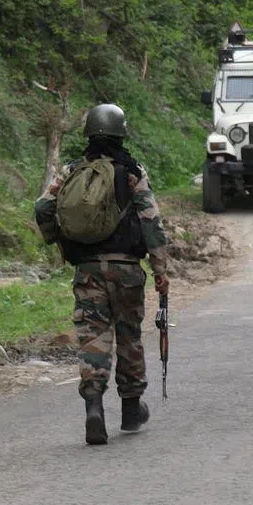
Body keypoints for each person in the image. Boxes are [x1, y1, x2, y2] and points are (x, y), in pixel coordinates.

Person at [34, 103, 170, 445]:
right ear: (121, 132)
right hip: (126, 271)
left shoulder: (71, 170)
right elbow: (151, 223)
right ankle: (130, 410)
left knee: (93, 337)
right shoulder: (132, 172)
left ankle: (94, 406)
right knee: (129, 337)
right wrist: (160, 270)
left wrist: (61, 243)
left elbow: (42, 207)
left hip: (88, 270)